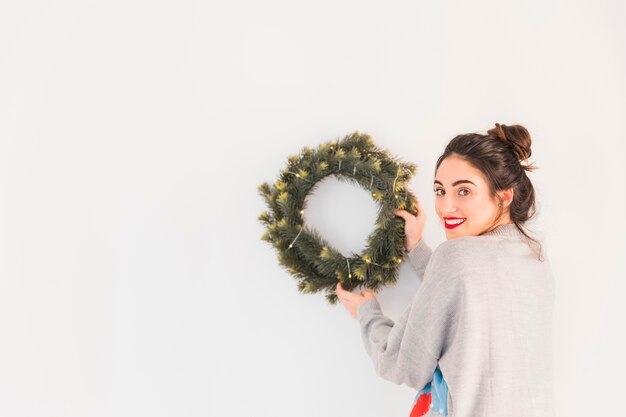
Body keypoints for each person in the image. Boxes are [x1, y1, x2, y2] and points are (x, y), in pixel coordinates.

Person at [336, 123, 555, 417]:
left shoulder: (456, 257)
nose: (445, 207)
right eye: (440, 191)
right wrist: (416, 247)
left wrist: (367, 313)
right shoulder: (534, 259)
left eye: (463, 191)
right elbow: (463, 297)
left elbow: (400, 364)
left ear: (504, 196)